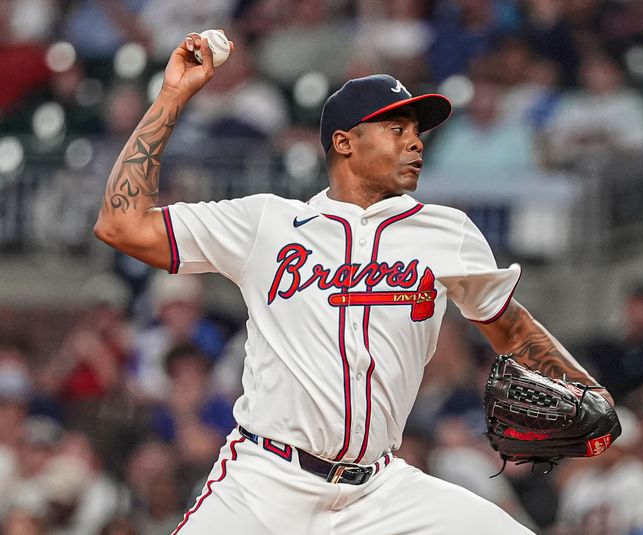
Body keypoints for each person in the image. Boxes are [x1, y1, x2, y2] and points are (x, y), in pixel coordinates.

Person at [93, 31, 615, 534]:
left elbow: (510, 326)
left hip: (380, 491)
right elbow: (121, 224)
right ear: (344, 142)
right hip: (265, 481)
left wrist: (590, 392)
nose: (415, 142)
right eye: (396, 128)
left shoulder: (447, 232)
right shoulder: (266, 224)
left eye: (417, 131)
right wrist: (173, 95)